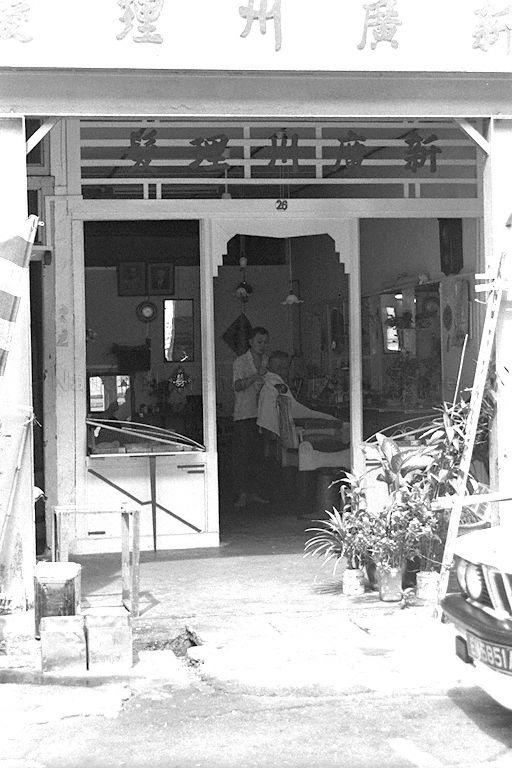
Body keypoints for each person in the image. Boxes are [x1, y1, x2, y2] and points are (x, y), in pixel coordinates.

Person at [232, 326, 270, 508]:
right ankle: (242, 494)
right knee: (242, 456)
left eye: (265, 342)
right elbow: (237, 386)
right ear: (251, 342)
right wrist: (256, 377)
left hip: (262, 415)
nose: (262, 346)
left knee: (258, 456)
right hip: (244, 414)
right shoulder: (241, 362)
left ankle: (254, 492)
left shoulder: (266, 362)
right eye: (259, 342)